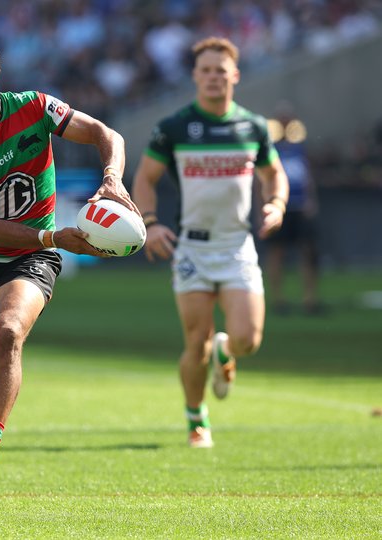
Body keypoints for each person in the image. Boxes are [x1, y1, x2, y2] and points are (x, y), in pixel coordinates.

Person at [0, 41, 134, 500]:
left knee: (9, 331)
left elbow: (106, 134)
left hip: (30, 259)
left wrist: (112, 178)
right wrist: (57, 237)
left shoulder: (34, 107)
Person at [131, 37, 289, 449]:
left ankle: (227, 351)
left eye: (222, 69)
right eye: (206, 70)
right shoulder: (174, 126)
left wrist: (277, 203)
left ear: (234, 75)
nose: (214, 76)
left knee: (247, 341)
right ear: (195, 76)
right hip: (192, 250)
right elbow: (144, 179)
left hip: (237, 246)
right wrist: (149, 222)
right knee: (194, 342)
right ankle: (196, 418)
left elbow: (275, 174)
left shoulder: (252, 126)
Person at [264, 102, 323, 315]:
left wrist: (311, 201)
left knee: (308, 251)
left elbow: (307, 177)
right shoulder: (270, 148)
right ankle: (279, 299)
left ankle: (309, 298)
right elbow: (261, 179)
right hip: (278, 207)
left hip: (299, 205)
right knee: (277, 252)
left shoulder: (300, 147)